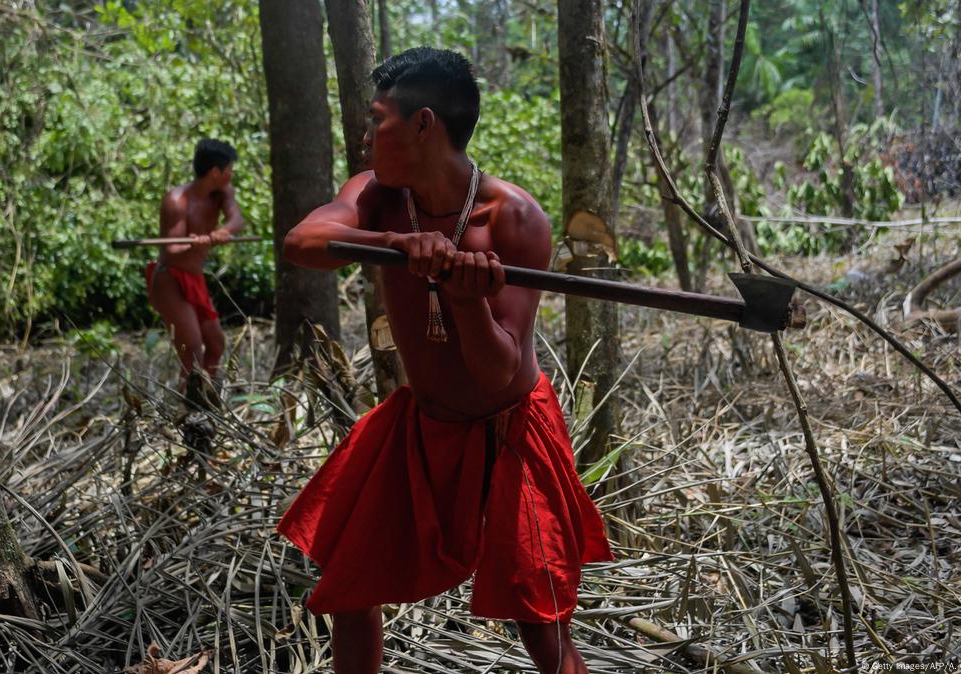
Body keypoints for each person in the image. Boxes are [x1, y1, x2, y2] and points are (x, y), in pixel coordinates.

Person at [277, 48, 613, 674]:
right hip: (421, 424)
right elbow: (303, 242)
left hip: (510, 429)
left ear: (424, 124)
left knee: (539, 618)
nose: (366, 136)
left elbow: (498, 369)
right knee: (351, 583)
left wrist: (466, 304)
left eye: (377, 120)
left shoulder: (513, 218)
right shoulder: (377, 198)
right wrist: (395, 245)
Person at [146, 138, 243, 391]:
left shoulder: (222, 193)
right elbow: (171, 249)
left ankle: (204, 398)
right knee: (193, 352)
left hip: (194, 278)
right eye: (229, 170)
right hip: (169, 280)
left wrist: (223, 231)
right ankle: (188, 410)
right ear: (215, 172)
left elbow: (236, 219)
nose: (231, 175)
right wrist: (194, 244)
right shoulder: (178, 201)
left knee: (215, 344)